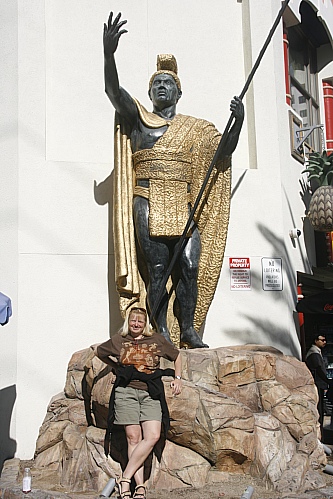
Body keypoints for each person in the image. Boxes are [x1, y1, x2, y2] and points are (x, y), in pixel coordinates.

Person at [104, 12, 244, 348]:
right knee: (156, 268)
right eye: (156, 84)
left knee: (190, 265)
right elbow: (112, 91)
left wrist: (237, 122)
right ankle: (161, 331)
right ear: (150, 92)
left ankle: (188, 330)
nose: (161, 87)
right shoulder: (139, 118)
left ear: (178, 93)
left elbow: (223, 149)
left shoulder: (195, 127)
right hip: (148, 198)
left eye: (167, 83)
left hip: (181, 202)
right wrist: (108, 55)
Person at [96, 307, 182, 499]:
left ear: (145, 324)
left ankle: (124, 478)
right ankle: (139, 487)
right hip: (126, 392)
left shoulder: (156, 340)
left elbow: (177, 356)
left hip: (150, 392)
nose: (136, 324)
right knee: (133, 438)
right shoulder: (119, 340)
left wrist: (178, 378)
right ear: (128, 322)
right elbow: (99, 352)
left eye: (140, 321)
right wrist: (115, 367)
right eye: (133, 320)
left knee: (152, 436)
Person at [305, 334, 331, 434]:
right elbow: (319, 368)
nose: (324, 342)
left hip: (320, 383)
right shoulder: (314, 353)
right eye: (322, 340)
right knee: (319, 409)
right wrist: (327, 381)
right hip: (317, 384)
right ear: (316, 341)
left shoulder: (317, 352)